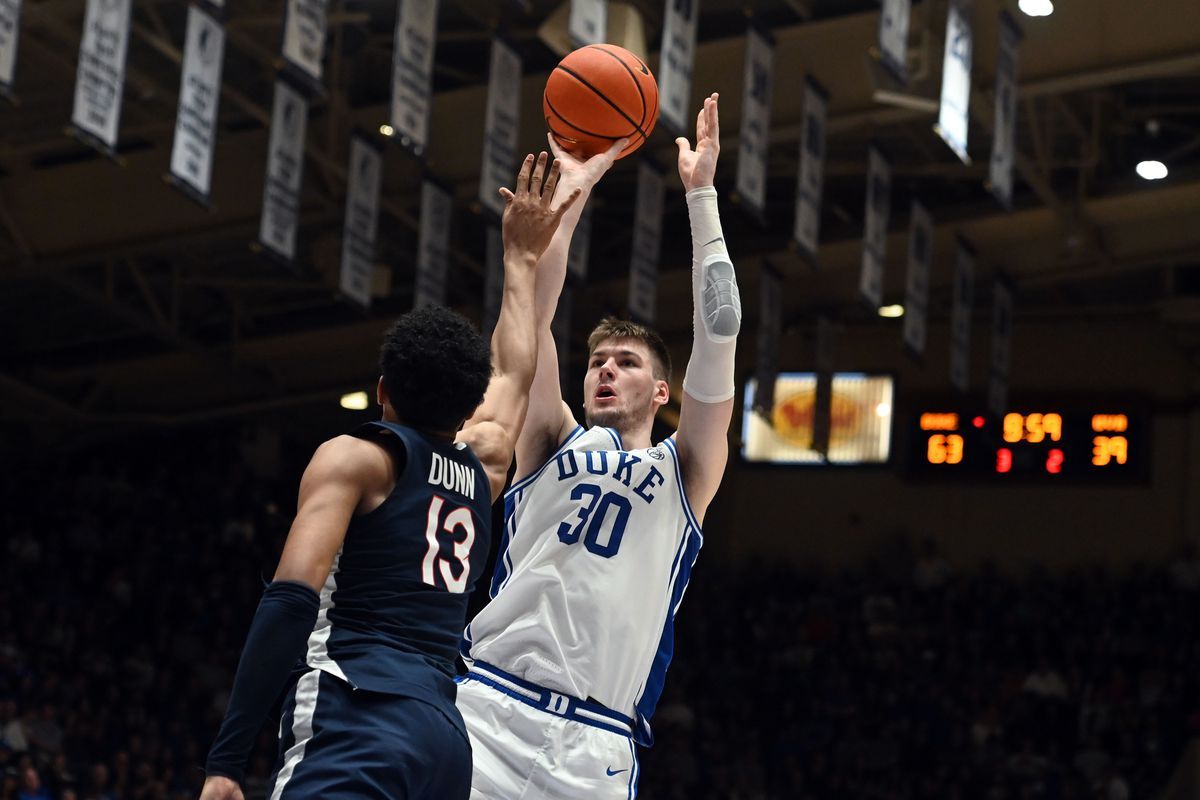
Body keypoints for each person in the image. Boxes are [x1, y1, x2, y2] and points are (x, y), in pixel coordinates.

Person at [198, 152, 582, 800]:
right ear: (467, 408)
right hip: (443, 740)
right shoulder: (485, 462)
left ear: (382, 390)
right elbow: (514, 372)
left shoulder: (356, 460)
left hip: (358, 712)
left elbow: (290, 600)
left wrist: (227, 758)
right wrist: (520, 258)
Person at [457, 93, 741, 798]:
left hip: (595, 746)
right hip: (487, 707)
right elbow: (528, 318)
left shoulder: (686, 469)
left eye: (627, 362)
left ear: (662, 393)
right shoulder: (551, 436)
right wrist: (574, 194)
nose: (606, 369)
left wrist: (701, 195)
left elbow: (723, 327)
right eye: (597, 361)